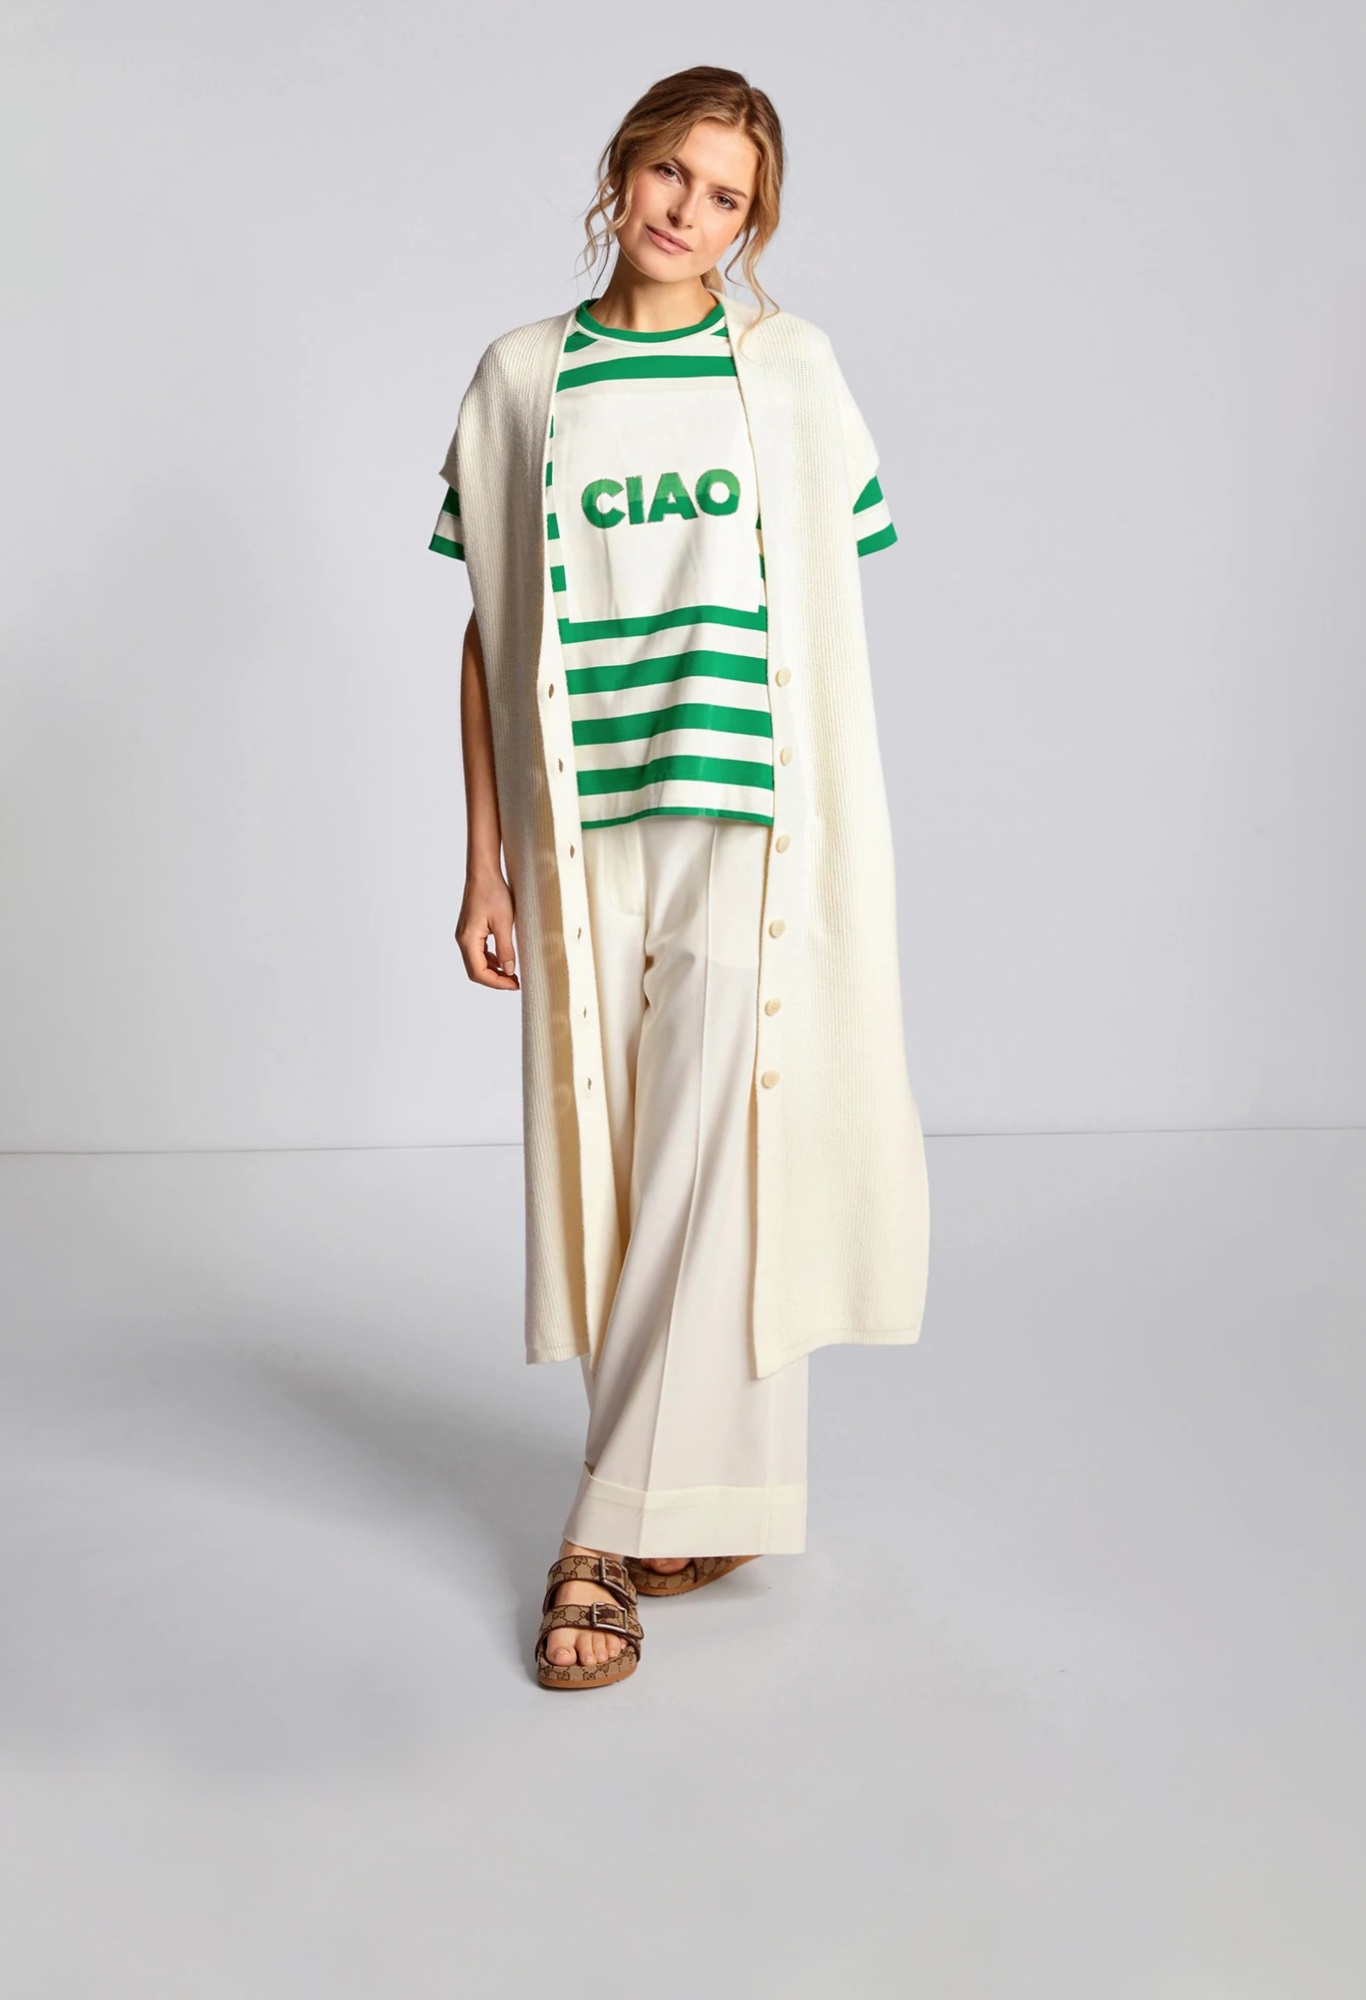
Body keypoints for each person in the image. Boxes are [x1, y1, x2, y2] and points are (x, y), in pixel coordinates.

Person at [429, 66, 930, 1689]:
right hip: (583, 831)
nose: (685, 212)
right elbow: (489, 632)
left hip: (747, 828)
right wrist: (483, 864)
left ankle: (594, 1539)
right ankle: (709, 1492)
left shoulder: (787, 372)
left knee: (718, 1152)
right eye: (668, 173)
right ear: (622, 169)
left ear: (750, 222)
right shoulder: (522, 377)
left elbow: (825, 611)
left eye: (724, 196)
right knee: (628, 1166)